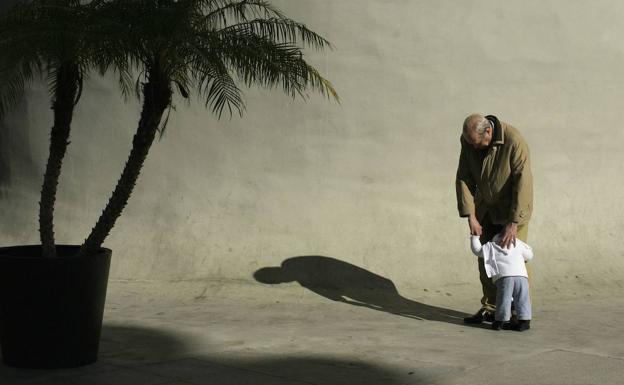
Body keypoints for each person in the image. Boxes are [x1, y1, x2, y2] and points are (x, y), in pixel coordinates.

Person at [455, 113, 533, 324]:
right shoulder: (469, 141)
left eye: (476, 143)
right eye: (469, 142)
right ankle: (491, 307)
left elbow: (523, 183)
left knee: (514, 261)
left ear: (488, 131)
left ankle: (518, 312)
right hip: (485, 209)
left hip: (512, 211)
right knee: (486, 260)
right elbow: (464, 177)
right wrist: (470, 215)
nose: (473, 147)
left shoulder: (514, 141)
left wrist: (514, 222)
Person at [470, 233, 533, 331]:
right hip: (521, 276)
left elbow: (477, 250)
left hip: (504, 277)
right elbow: (529, 255)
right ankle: (524, 322)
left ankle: (500, 321)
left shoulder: (492, 245)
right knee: (523, 298)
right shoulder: (518, 244)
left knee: (504, 299)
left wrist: (475, 236)